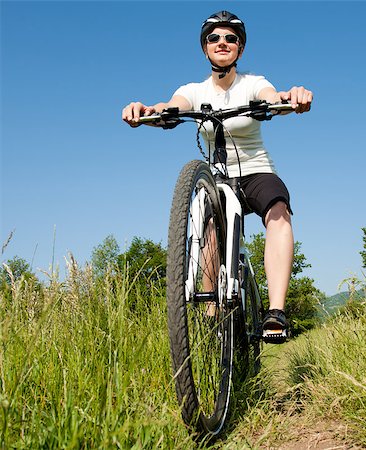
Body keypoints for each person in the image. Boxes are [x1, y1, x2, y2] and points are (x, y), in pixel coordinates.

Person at [122, 10, 313, 342]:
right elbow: (172, 106)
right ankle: (212, 319)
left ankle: (276, 312)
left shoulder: (253, 83)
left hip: (256, 172)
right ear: (205, 48)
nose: (222, 43)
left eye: (230, 38)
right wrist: (147, 112)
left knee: (278, 209)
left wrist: (288, 98)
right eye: (214, 38)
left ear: (239, 48)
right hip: (219, 179)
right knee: (209, 228)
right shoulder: (194, 90)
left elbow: (271, 97)